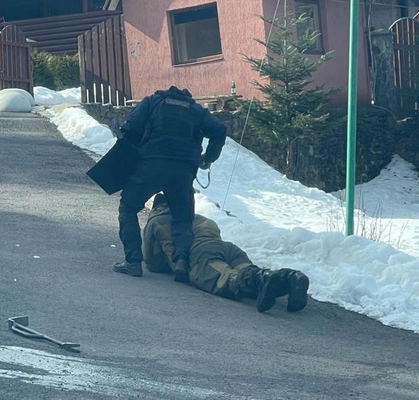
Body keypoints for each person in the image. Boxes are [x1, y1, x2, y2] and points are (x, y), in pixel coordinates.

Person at [112, 86, 227, 284]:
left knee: (128, 207)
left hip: (150, 166)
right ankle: (181, 262)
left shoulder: (152, 101)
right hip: (182, 172)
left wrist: (126, 143)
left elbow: (132, 128)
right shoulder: (195, 109)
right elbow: (219, 130)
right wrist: (208, 158)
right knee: (182, 218)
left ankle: (132, 261)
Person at [143, 194, 310, 313]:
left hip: (202, 254)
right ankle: (290, 278)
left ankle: (263, 277)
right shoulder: (198, 217)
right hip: (228, 248)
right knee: (249, 275)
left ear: (156, 207)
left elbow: (152, 262)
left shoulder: (156, 221)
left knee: (228, 281)